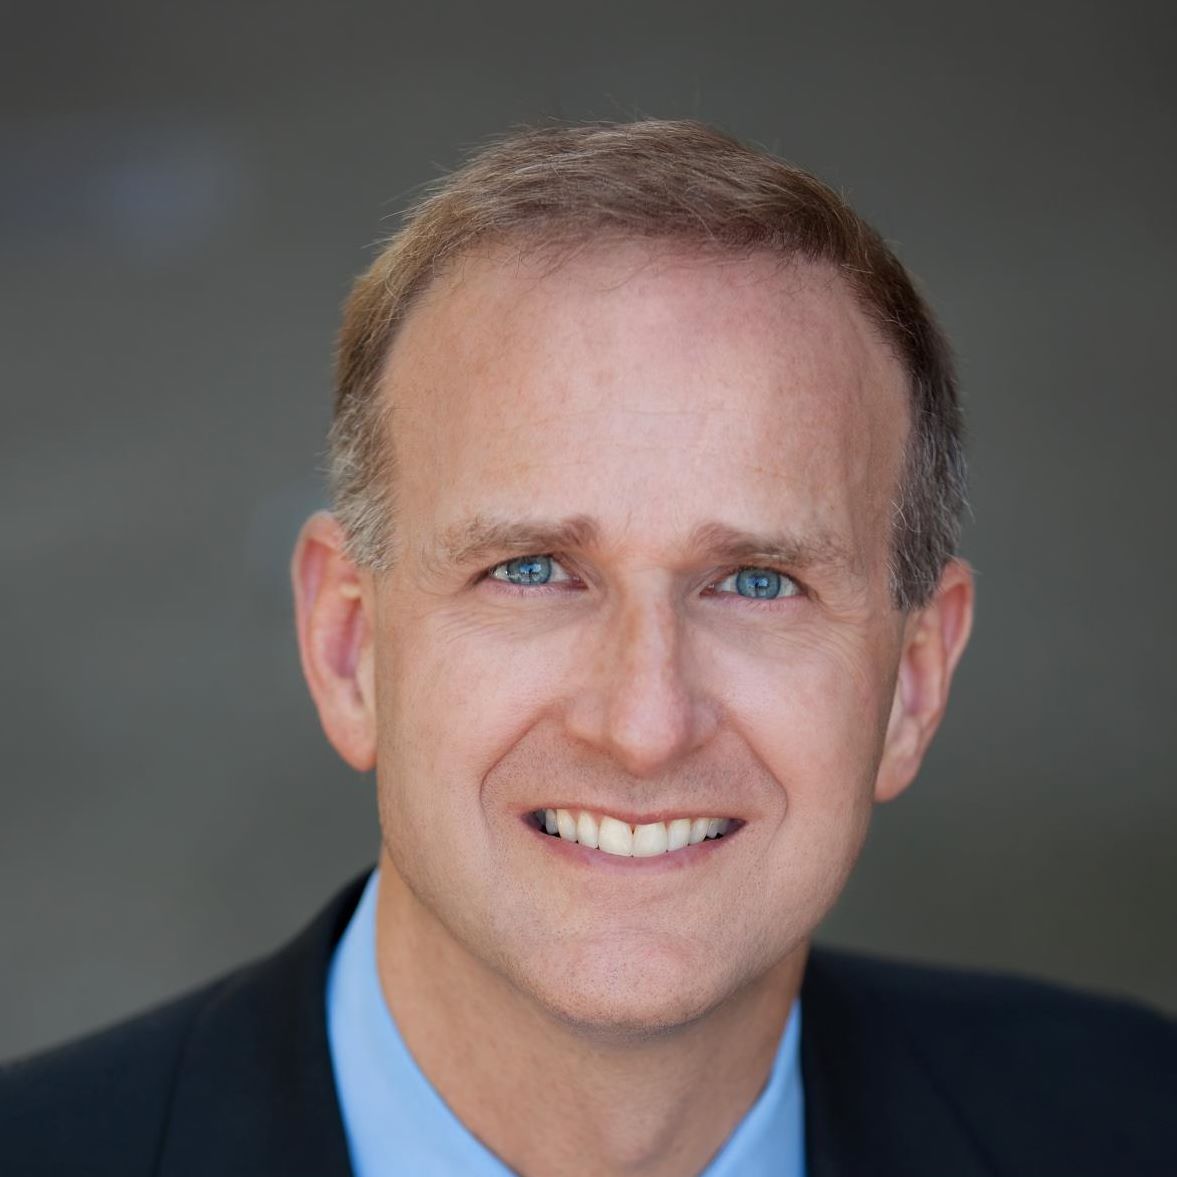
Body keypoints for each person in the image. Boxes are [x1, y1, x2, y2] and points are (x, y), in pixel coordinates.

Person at [2, 120, 1173, 1177]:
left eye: (757, 582)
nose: (644, 724)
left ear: (913, 682)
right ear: (349, 643)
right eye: (530, 569)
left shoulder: (1134, 1121)